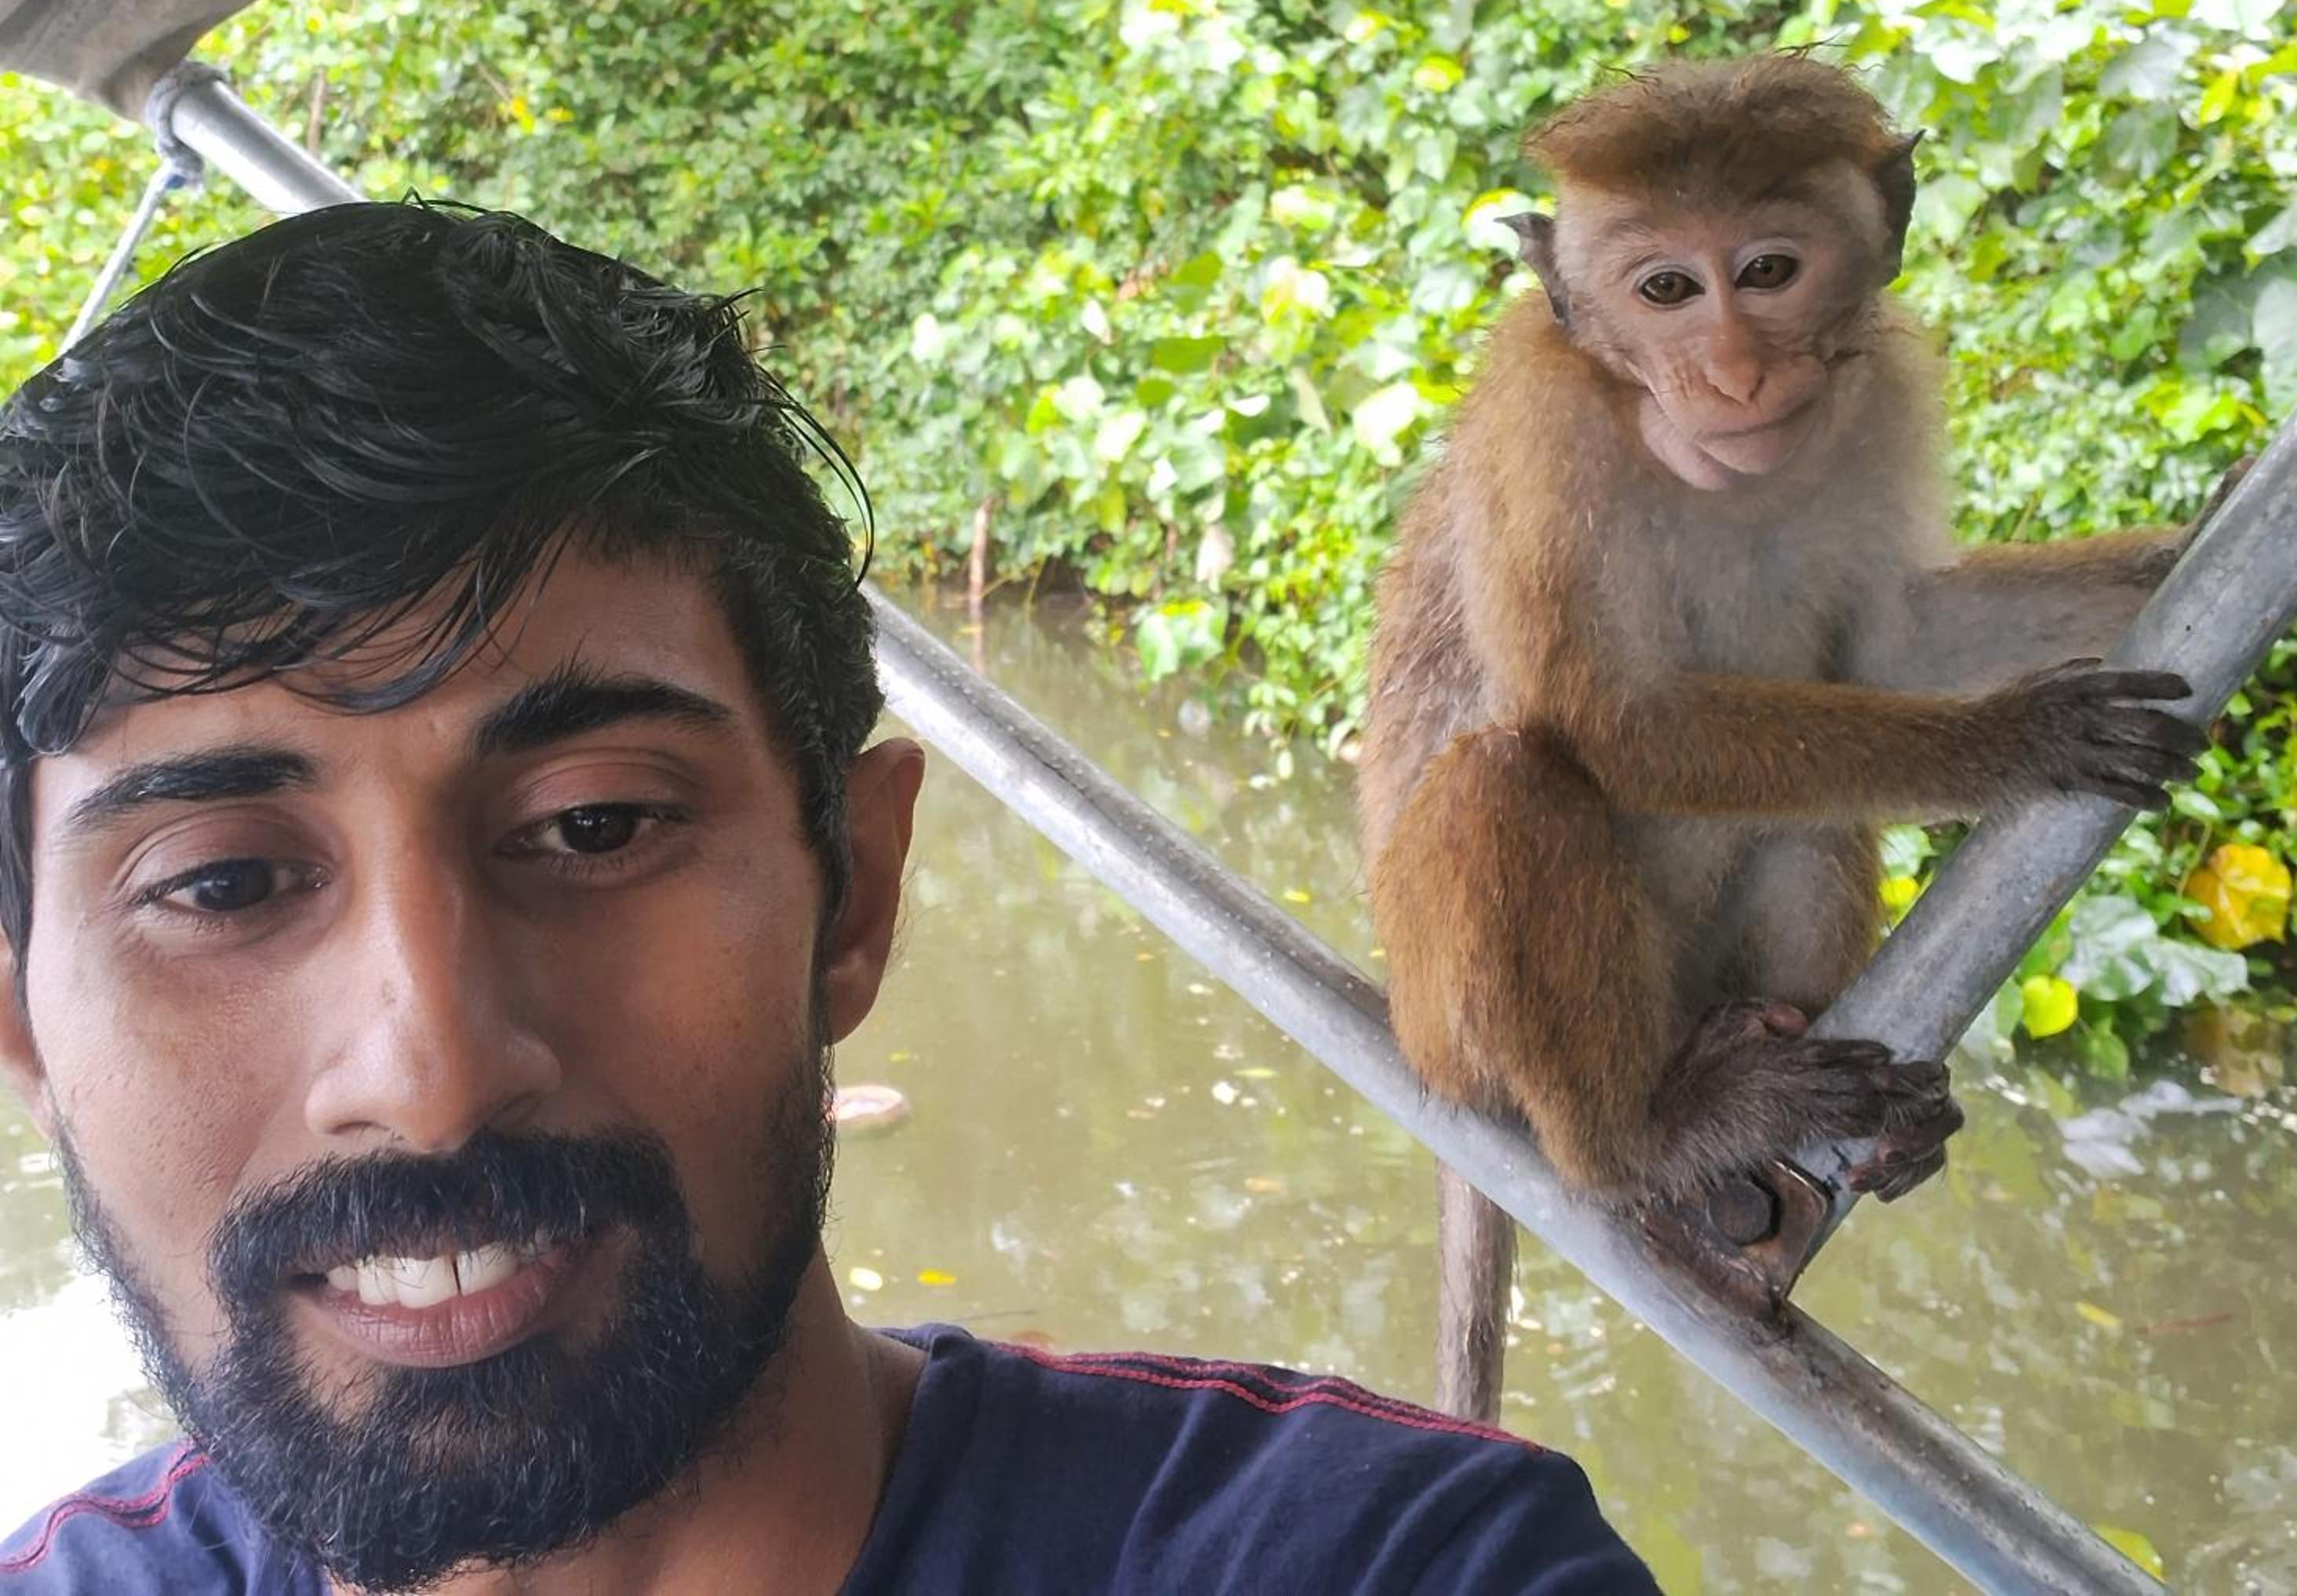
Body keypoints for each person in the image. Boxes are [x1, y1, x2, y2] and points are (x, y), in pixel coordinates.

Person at [0, 202, 1656, 1594]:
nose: (430, 1077)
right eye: (220, 881)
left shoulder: (1391, 1568)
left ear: (853, 892)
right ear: (19, 1022)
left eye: (593, 828)